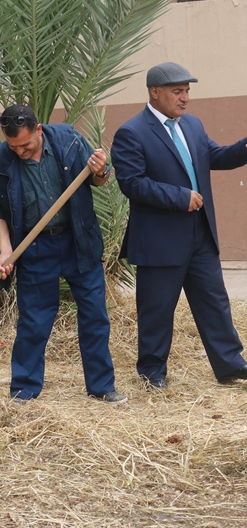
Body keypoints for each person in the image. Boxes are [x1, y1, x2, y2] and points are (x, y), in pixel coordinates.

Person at [111, 62, 247, 389]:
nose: (185, 98)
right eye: (177, 91)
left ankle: (231, 366)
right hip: (160, 241)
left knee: (214, 303)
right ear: (154, 92)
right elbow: (131, 183)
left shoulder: (194, 126)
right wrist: (179, 196)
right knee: (157, 311)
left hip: (200, 236)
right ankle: (152, 372)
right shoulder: (132, 132)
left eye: (187, 91)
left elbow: (217, 156)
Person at [0, 104, 126, 404]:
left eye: (26, 144)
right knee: (34, 320)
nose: (20, 151)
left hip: (78, 240)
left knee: (94, 316)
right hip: (34, 248)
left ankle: (101, 387)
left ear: (38, 130)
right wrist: (6, 250)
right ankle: (24, 390)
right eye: (13, 146)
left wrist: (100, 169)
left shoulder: (69, 140)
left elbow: (98, 178)